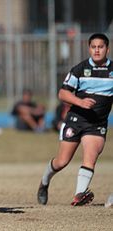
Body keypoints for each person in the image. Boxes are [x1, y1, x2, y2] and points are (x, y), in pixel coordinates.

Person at [37, 33, 113, 206]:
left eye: (100, 47)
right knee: (62, 161)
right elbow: (62, 93)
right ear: (89, 48)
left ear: (107, 49)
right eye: (93, 47)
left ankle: (78, 196)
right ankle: (44, 182)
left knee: (90, 157)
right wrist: (80, 102)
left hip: (97, 124)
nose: (96, 50)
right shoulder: (80, 69)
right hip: (75, 120)